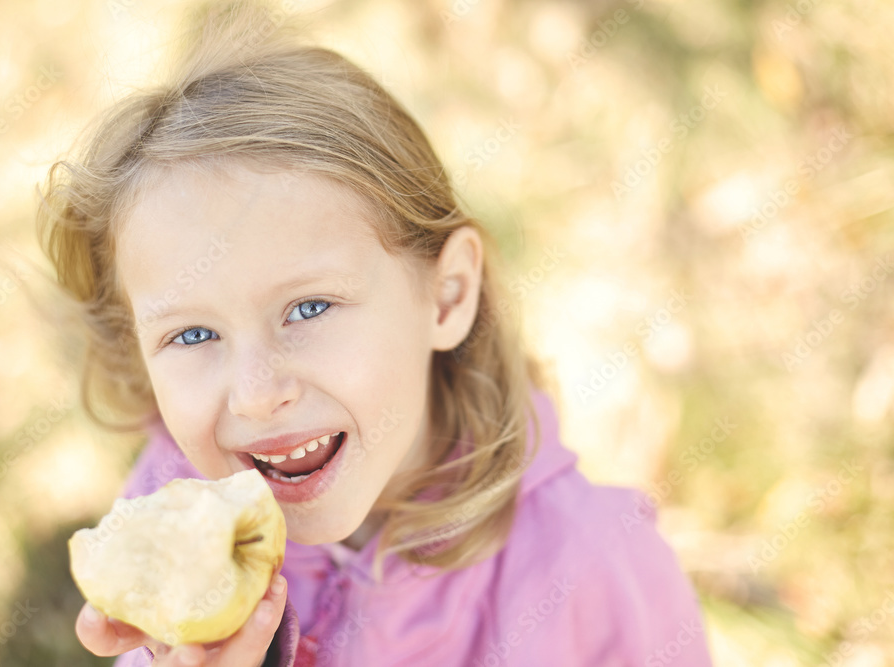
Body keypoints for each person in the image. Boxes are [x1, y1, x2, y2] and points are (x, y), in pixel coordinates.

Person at [37, 2, 714, 665]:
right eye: (191, 335)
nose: (256, 394)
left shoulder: (597, 570)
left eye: (308, 308)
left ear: (447, 296)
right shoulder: (172, 542)